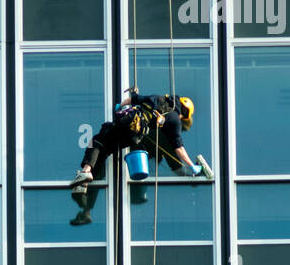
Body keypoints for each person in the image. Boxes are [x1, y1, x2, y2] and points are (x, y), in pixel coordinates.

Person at [70, 89, 211, 224]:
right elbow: (178, 147)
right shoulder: (174, 119)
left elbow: (133, 99)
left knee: (98, 141)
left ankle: (86, 174)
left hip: (127, 124)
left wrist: (119, 106)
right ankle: (86, 198)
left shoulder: (157, 99)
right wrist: (191, 167)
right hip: (135, 136)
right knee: (104, 148)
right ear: (183, 114)